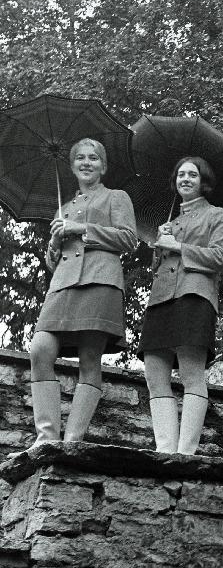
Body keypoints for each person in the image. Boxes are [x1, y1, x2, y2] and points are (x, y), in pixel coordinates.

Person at [28, 138, 138, 445]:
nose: (86, 162)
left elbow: (129, 240)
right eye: (80, 158)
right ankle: (47, 437)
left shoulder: (117, 197)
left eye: (93, 158)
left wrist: (81, 229)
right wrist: (53, 244)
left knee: (90, 359)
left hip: (101, 281)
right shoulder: (63, 207)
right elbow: (56, 261)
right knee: (40, 349)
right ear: (73, 165)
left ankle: (73, 439)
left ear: (103, 166)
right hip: (62, 286)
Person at [138, 157, 223, 455]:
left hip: (195, 295)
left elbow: (220, 258)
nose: (186, 179)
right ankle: (165, 449)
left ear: (204, 181)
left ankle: (186, 452)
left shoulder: (216, 215)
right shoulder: (170, 221)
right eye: (181, 174)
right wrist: (161, 242)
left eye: (193, 174)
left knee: (191, 373)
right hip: (161, 297)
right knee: (154, 373)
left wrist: (177, 246)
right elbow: (158, 266)